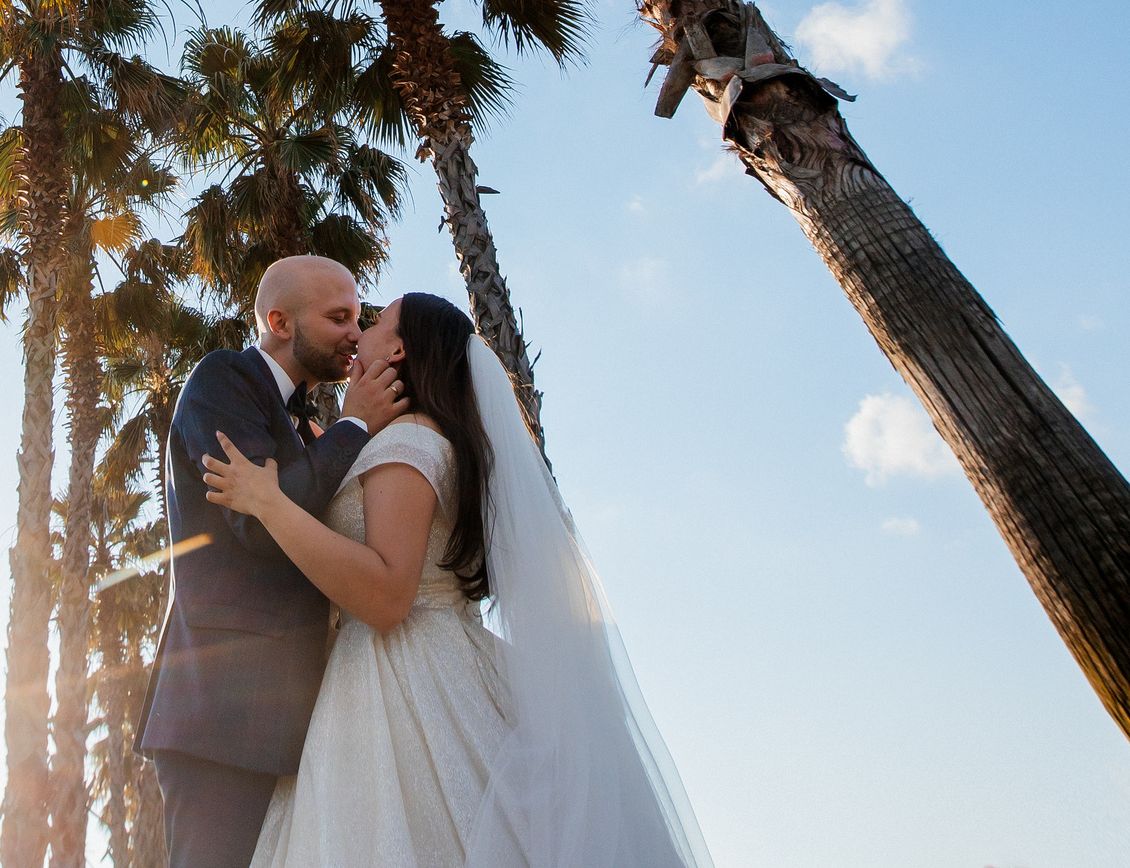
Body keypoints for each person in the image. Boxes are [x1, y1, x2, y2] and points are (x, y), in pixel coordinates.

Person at [200, 291, 710, 868]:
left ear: (397, 349)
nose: (359, 334)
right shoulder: (412, 436)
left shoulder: (407, 441)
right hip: (426, 663)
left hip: (402, 681)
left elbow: (390, 594)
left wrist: (271, 506)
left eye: (375, 323)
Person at [142, 255, 413, 868]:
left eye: (359, 316)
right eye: (338, 316)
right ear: (279, 321)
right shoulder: (224, 379)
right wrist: (355, 426)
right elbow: (260, 524)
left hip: (285, 719)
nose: (354, 330)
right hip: (222, 716)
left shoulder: (300, 424)